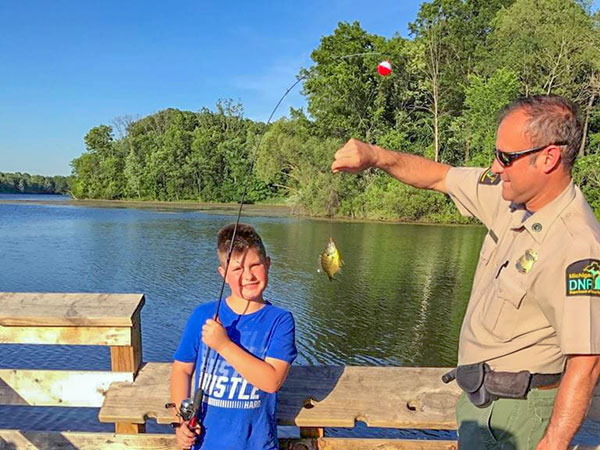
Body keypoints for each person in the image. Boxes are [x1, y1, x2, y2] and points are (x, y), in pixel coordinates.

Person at [331, 95, 600, 450]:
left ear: (549, 158)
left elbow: (587, 360)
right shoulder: (511, 198)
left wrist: (552, 444)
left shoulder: (577, 245)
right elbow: (440, 177)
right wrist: (375, 156)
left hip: (519, 414)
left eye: (506, 156)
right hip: (478, 402)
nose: (496, 166)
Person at [170, 223, 297, 450]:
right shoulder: (203, 315)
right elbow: (181, 369)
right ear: (223, 274)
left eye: (255, 265)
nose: (247, 275)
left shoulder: (280, 321)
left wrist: (224, 345)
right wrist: (182, 420)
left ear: (267, 265)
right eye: (237, 269)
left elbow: (272, 381)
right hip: (205, 444)